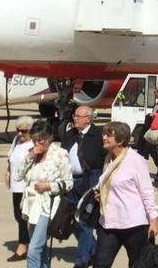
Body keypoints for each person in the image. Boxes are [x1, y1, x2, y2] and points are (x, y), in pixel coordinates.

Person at [92, 122, 158, 268]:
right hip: (109, 223)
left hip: (133, 224)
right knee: (100, 264)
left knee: (137, 265)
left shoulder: (135, 160)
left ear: (121, 140)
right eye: (104, 134)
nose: (104, 137)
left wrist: (153, 219)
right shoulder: (108, 159)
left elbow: (147, 192)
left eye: (108, 135)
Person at [18, 120, 73, 268]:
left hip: (47, 207)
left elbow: (68, 183)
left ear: (49, 138)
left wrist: (48, 185)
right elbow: (18, 175)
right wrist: (30, 156)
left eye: (40, 139)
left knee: (34, 249)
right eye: (34, 139)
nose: (37, 143)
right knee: (41, 248)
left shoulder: (60, 154)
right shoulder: (33, 153)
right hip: (31, 206)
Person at [61, 105, 106, 268]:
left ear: (88, 118)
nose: (75, 119)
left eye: (79, 116)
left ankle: (81, 261)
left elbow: (106, 160)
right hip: (70, 182)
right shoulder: (69, 134)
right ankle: (93, 250)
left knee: (84, 221)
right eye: (74, 116)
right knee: (70, 218)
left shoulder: (99, 135)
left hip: (90, 182)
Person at [6, 116, 35, 262]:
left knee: (25, 218)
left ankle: (23, 247)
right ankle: (29, 243)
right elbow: (10, 157)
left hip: (28, 187)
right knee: (19, 216)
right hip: (16, 187)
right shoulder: (16, 141)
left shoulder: (34, 144)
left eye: (23, 131)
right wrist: (7, 171)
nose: (20, 134)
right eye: (18, 130)